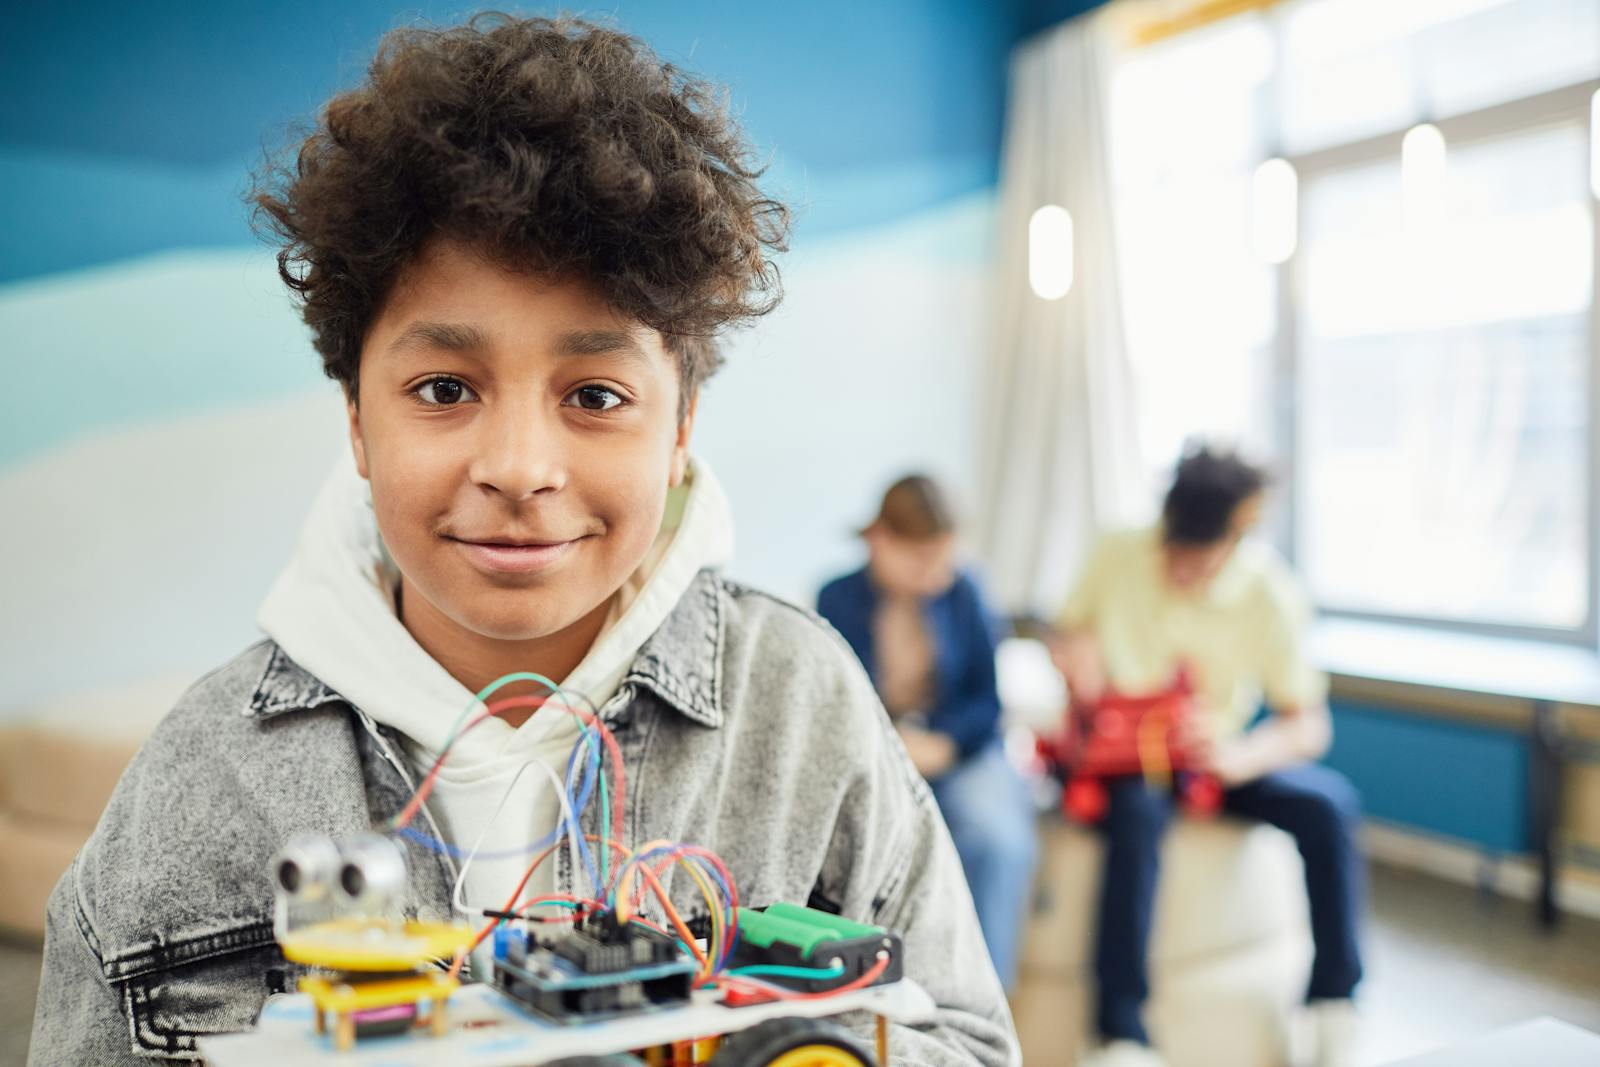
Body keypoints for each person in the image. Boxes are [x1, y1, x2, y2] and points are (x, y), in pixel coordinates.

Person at [28, 17, 1016, 1066]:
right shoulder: (204, 781)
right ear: (357, 420)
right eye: (444, 389)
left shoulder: (804, 713)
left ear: (680, 429)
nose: (518, 465)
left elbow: (965, 1040)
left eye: (595, 395)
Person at [1053, 446, 1363, 1067]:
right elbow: (1067, 633)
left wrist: (1239, 757)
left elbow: (1307, 725)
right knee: (1137, 817)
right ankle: (1120, 1032)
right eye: (1174, 552)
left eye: (1199, 559)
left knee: (1330, 806)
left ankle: (1334, 1003)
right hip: (1126, 759)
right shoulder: (1117, 552)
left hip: (1217, 758)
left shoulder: (1270, 591)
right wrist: (1079, 665)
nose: (1181, 569)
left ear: (1237, 535)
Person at [818, 475, 1038, 992]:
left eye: (944, 558)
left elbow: (987, 703)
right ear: (879, 541)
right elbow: (836, 700)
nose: (936, 575)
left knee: (993, 837)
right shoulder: (837, 598)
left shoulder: (967, 592)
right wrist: (891, 744)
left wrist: (942, 744)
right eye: (921, 560)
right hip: (875, 749)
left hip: (958, 747)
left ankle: (981, 999)